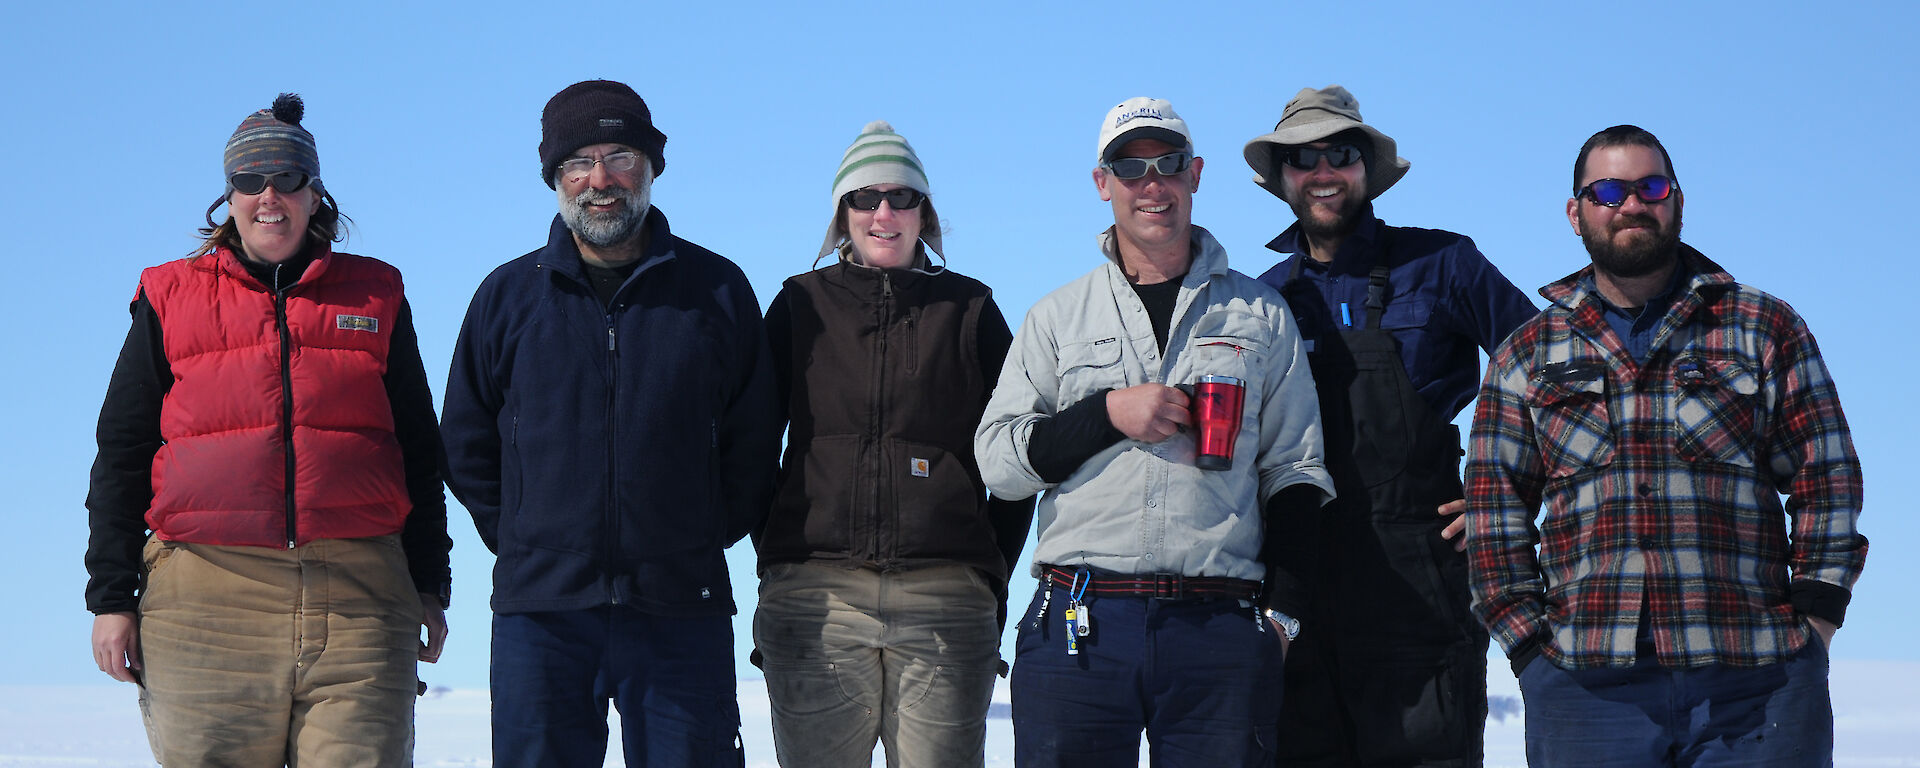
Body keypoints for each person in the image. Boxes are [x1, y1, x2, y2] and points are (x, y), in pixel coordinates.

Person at [1466, 124, 1866, 766]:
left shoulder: (1762, 325)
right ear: (1576, 213)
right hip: (1584, 687)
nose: (1632, 204)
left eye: (1650, 187)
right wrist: (1527, 648)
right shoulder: (1528, 352)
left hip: (1756, 679)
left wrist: (1815, 620)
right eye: (1608, 191)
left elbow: (1827, 475)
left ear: (1677, 201)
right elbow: (1494, 511)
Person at [84, 93, 452, 766]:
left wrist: (430, 583)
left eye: (286, 179)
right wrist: (111, 597)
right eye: (249, 182)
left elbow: (417, 451)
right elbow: (123, 450)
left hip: (361, 596)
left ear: (315, 193)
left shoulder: (375, 295)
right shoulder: (170, 297)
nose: (268, 196)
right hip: (206, 601)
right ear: (228, 197)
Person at [975, 97, 1334, 767]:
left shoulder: (1261, 314)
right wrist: (1108, 414)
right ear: (1102, 182)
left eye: (1168, 163)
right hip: (1079, 627)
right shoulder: (1056, 317)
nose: (1151, 183)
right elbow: (999, 463)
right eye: (1129, 166)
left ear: (1195, 174)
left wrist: (1281, 618)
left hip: (1219, 629)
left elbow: (1296, 469)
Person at [441, 79, 780, 767]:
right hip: (542, 616)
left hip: (682, 608)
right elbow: (465, 439)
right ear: (555, 179)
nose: (601, 180)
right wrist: (525, 534)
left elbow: (755, 435)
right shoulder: (507, 296)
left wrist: (696, 532)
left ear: (650, 168)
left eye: (620, 156)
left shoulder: (715, 291)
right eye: (578, 163)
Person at [1241, 85, 1537, 767]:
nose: (1321, 172)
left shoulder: (1444, 263)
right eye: (1301, 158)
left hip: (1419, 596)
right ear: (1282, 177)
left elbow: (1551, 371)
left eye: (1339, 154)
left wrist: (1508, 495)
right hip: (1295, 593)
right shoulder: (1261, 299)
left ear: (1365, 168)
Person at [752, 120, 1035, 768]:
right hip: (816, 597)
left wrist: (987, 567)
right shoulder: (799, 306)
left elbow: (1018, 454)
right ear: (842, 213)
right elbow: (750, 448)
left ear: (923, 212)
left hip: (945, 600)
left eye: (901, 197)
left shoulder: (970, 310)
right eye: (865, 197)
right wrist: (781, 552)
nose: (883, 213)